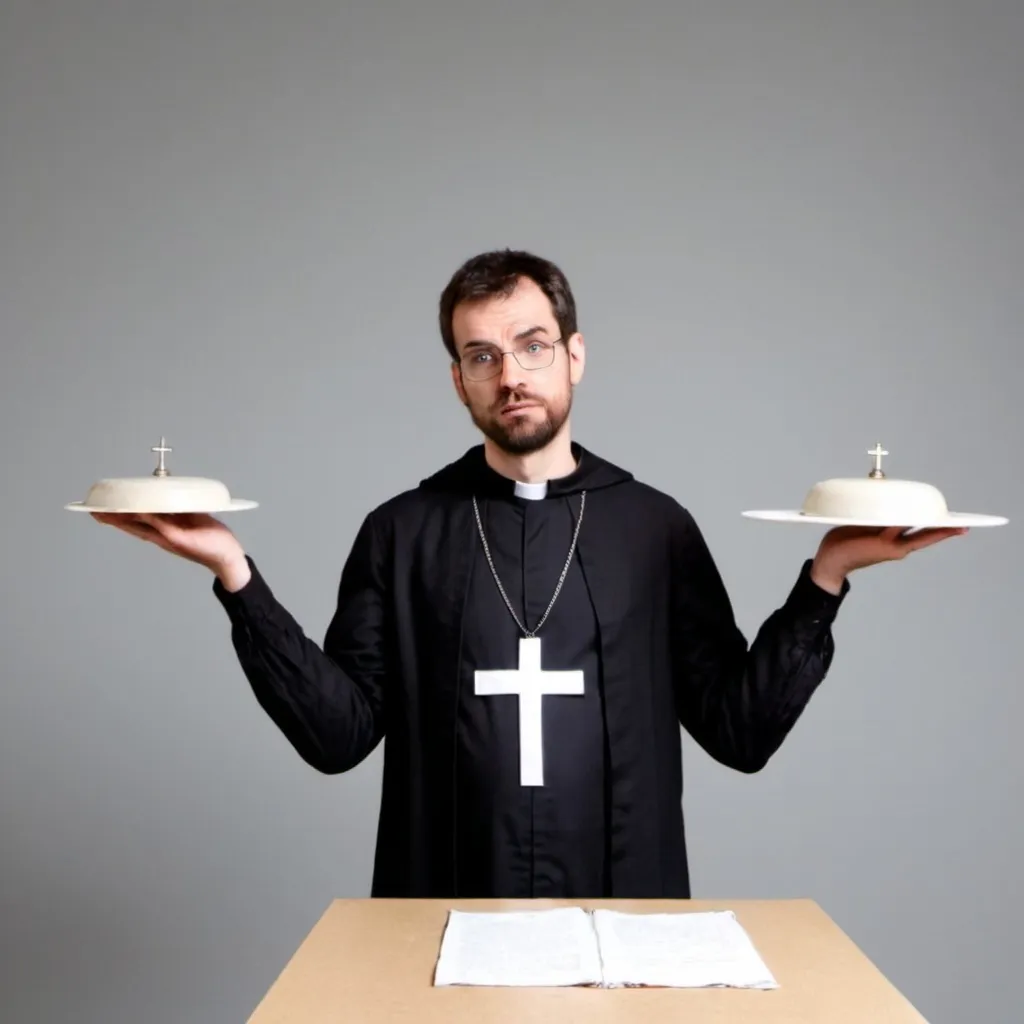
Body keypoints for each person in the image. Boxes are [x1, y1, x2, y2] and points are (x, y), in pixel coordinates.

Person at [92, 249, 964, 899]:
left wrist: (828, 574)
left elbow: (740, 732)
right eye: (482, 356)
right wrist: (235, 574)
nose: (510, 375)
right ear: (458, 380)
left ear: (574, 356)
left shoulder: (654, 528)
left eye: (532, 345)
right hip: (443, 909)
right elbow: (337, 738)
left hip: (625, 915)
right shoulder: (402, 532)